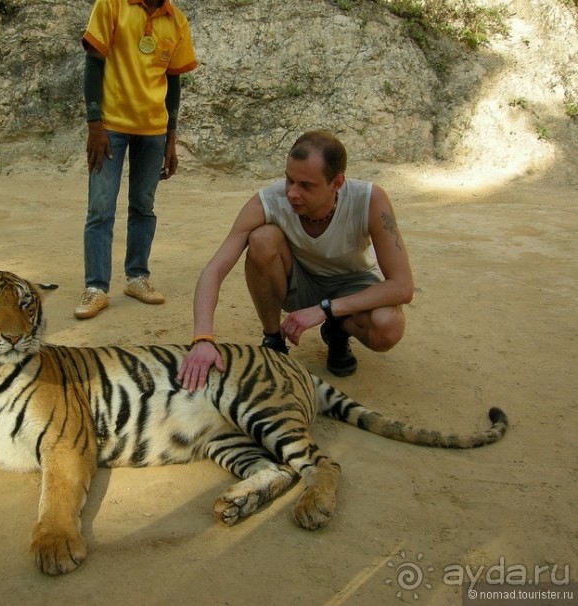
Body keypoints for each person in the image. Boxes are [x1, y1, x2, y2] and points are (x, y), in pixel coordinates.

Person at [177, 130, 414, 391]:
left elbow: (402, 287)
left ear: (337, 183)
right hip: (300, 282)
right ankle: (273, 340)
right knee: (263, 238)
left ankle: (337, 330)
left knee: (387, 328)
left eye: (306, 186)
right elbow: (215, 269)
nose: (292, 193)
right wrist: (202, 338)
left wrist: (324, 310)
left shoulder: (369, 199)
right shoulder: (268, 200)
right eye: (289, 180)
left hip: (353, 283)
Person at [74, 0, 198, 320]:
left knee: (143, 205)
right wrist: (94, 123)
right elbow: (94, 61)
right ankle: (97, 288)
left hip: (154, 131)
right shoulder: (112, 5)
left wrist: (171, 137)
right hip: (110, 128)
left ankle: (137, 278)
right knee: (100, 206)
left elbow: (173, 83)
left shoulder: (176, 21)